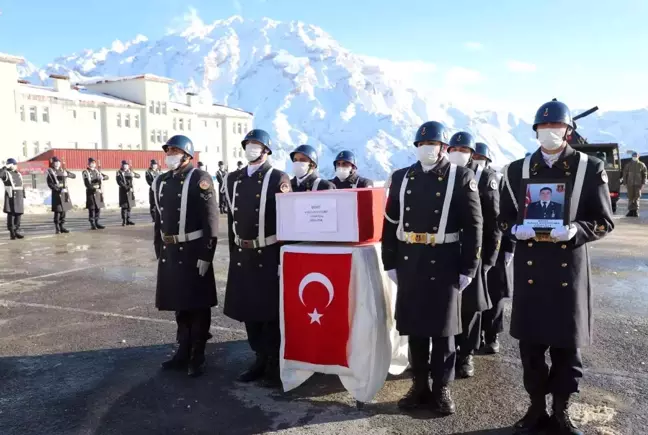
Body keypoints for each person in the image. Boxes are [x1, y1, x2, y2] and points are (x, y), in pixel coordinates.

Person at [498, 100, 614, 435]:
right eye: (543, 128)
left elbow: (605, 221)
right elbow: (503, 217)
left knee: (566, 346)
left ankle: (562, 411)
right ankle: (535, 409)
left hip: (569, 271)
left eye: (556, 127)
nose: (549, 132)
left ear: (568, 131)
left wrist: (578, 229)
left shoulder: (589, 168)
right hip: (531, 269)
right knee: (531, 346)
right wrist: (513, 230)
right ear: (535, 131)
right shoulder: (516, 170)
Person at [382, 121, 483, 415]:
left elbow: (474, 225)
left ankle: (441, 388)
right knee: (414, 328)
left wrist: (470, 266)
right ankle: (419, 386)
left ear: (443, 148)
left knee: (442, 332)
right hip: (410, 260)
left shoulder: (461, 177)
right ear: (416, 147)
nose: (428, 149)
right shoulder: (402, 177)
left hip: (445, 261)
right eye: (423, 144)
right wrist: (390, 260)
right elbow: (390, 223)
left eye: (434, 145)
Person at [223, 129, 292, 386]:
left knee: (269, 312)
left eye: (256, 144)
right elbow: (231, 219)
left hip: (269, 252)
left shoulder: (277, 178)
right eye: (248, 144)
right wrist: (233, 252)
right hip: (243, 253)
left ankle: (274, 362)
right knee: (249, 310)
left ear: (266, 150)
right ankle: (259, 358)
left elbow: (287, 222)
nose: (251, 148)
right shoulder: (234, 179)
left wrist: (283, 258)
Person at [152, 135, 219, 377]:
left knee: (197, 306)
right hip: (171, 252)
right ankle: (182, 351)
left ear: (187, 155)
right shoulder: (161, 181)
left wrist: (207, 254)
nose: (170, 154)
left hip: (193, 251)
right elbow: (158, 218)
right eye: (168, 150)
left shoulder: (200, 179)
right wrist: (159, 248)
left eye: (175, 151)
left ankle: (197, 355)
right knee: (180, 306)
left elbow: (210, 219)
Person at [446, 133, 501, 379]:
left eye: (463, 148)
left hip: (473, 253)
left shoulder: (483, 178)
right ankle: (448, 352)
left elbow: (492, 223)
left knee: (470, 308)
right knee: (447, 306)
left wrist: (488, 260)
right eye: (453, 148)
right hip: (445, 252)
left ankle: (466, 354)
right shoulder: (442, 174)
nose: (458, 152)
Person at [474, 143, 514, 354]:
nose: (478, 160)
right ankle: (478, 334)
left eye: (481, 157)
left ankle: (492, 335)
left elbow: (507, 213)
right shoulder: (465, 177)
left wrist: (510, 246)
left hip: (498, 244)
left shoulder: (498, 180)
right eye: (475, 156)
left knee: (495, 294)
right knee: (478, 294)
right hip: (478, 245)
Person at [46, 157, 76, 234]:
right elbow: (50, 184)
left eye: (59, 162)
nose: (58, 163)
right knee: (58, 211)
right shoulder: (51, 171)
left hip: (65, 192)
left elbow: (74, 176)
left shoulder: (63, 170)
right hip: (57, 193)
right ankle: (57, 227)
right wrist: (58, 189)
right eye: (56, 162)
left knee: (64, 211)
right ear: (53, 163)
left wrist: (68, 174)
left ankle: (62, 226)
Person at [1, 158, 25, 240]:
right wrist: (5, 167)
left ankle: (16, 230)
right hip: (11, 196)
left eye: (15, 164)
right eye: (14, 164)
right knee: (11, 214)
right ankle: (12, 232)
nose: (15, 166)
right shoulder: (6, 173)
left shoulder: (18, 173)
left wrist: (23, 194)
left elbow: (22, 184)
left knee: (18, 214)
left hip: (19, 195)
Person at [82, 158, 109, 230]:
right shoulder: (85, 172)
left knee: (98, 207)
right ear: (88, 164)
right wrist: (94, 189)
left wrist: (102, 177)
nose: (93, 164)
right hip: (91, 192)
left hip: (98, 192)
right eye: (91, 163)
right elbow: (87, 183)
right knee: (92, 208)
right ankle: (92, 223)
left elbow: (107, 177)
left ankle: (97, 222)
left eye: (94, 163)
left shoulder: (97, 171)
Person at [622, 151, 647, 217]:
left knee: (637, 197)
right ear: (632, 157)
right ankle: (630, 211)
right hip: (630, 184)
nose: (634, 157)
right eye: (633, 156)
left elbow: (645, 174)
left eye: (636, 156)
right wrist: (625, 182)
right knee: (630, 197)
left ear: (638, 156)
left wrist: (643, 182)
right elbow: (625, 174)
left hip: (638, 184)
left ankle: (635, 211)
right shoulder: (628, 164)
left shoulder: (641, 164)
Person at [116, 160, 141, 226]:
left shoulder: (130, 171)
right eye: (124, 165)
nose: (125, 167)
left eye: (127, 165)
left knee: (129, 206)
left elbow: (138, 176)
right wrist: (126, 187)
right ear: (122, 165)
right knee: (124, 206)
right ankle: (124, 220)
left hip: (130, 190)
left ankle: (128, 220)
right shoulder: (119, 172)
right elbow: (119, 181)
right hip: (123, 190)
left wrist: (134, 174)